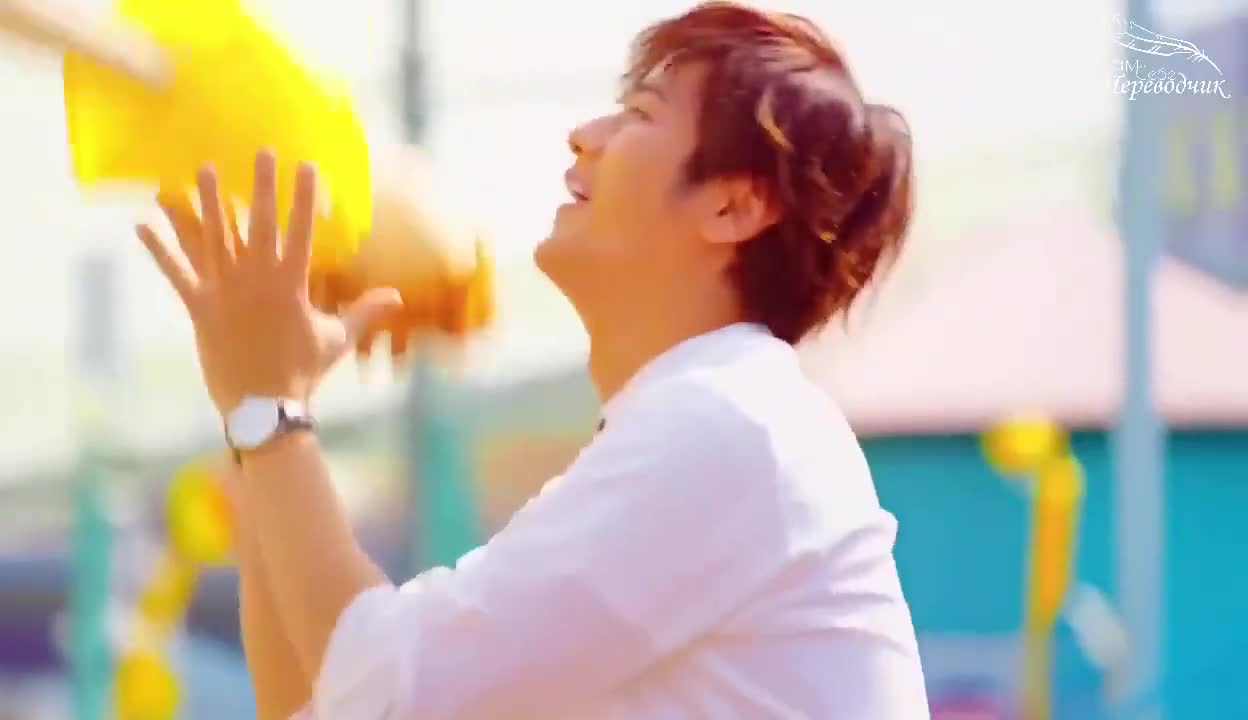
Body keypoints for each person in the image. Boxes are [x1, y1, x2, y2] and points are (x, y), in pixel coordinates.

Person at [134, 2, 928, 717]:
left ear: (733, 205)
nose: (586, 134)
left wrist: (271, 409)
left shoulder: (728, 424)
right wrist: (258, 410)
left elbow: (390, 693)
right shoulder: (708, 424)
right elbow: (317, 700)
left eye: (640, 114)